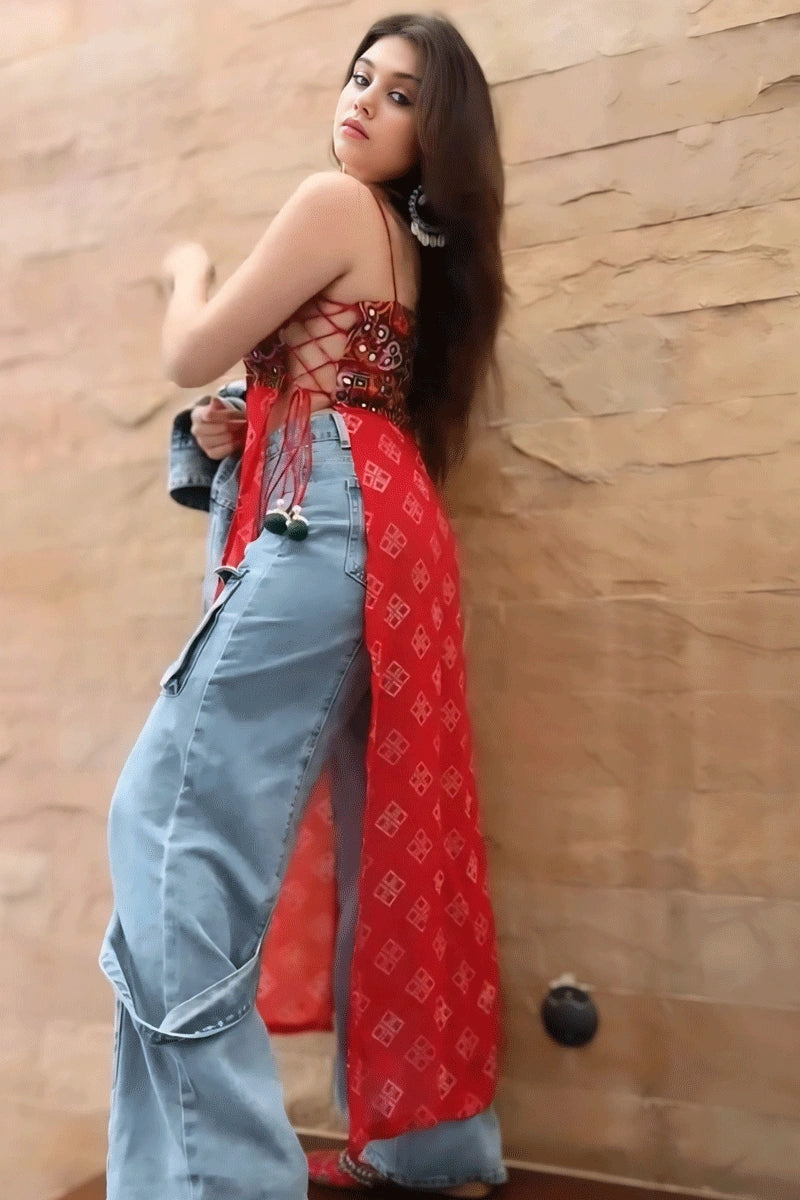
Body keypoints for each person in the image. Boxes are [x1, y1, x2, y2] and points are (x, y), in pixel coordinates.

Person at [99, 13, 508, 1200]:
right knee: (383, 833)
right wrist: (243, 422)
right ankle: (422, 1143)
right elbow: (341, 400)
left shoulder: (335, 204)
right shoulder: (414, 249)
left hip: (326, 523)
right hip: (382, 523)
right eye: (359, 76)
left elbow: (190, 348)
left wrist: (186, 271)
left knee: (167, 822)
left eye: (399, 95)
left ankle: (219, 1176)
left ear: (434, 135)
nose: (362, 101)